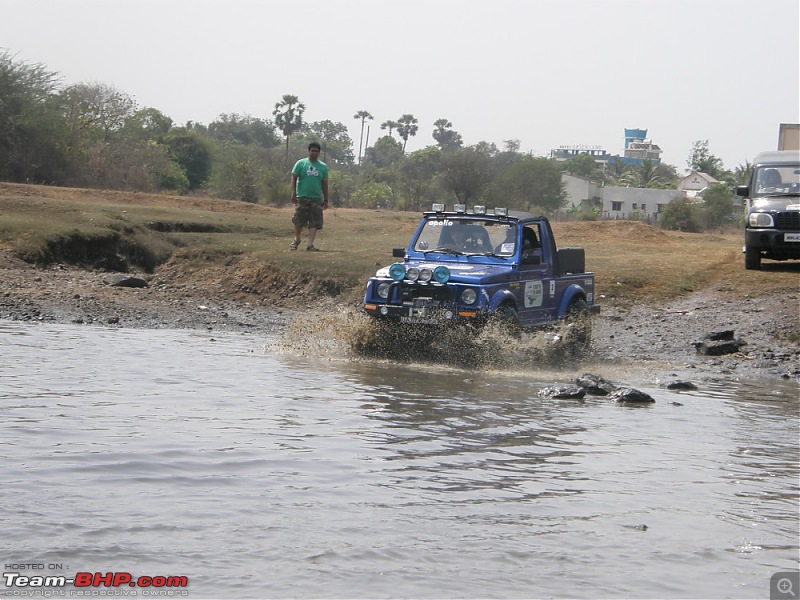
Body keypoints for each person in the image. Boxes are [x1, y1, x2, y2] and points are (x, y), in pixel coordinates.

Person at [290, 142, 329, 251]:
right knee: (299, 221)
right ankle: (297, 239)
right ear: (309, 151)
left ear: (319, 152)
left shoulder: (323, 167)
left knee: (315, 222)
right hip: (302, 197)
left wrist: (326, 199)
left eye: (317, 151)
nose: (314, 153)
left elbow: (325, 183)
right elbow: (293, 177)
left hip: (316, 198)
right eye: (312, 151)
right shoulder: (301, 163)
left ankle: (310, 245)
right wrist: (293, 192)